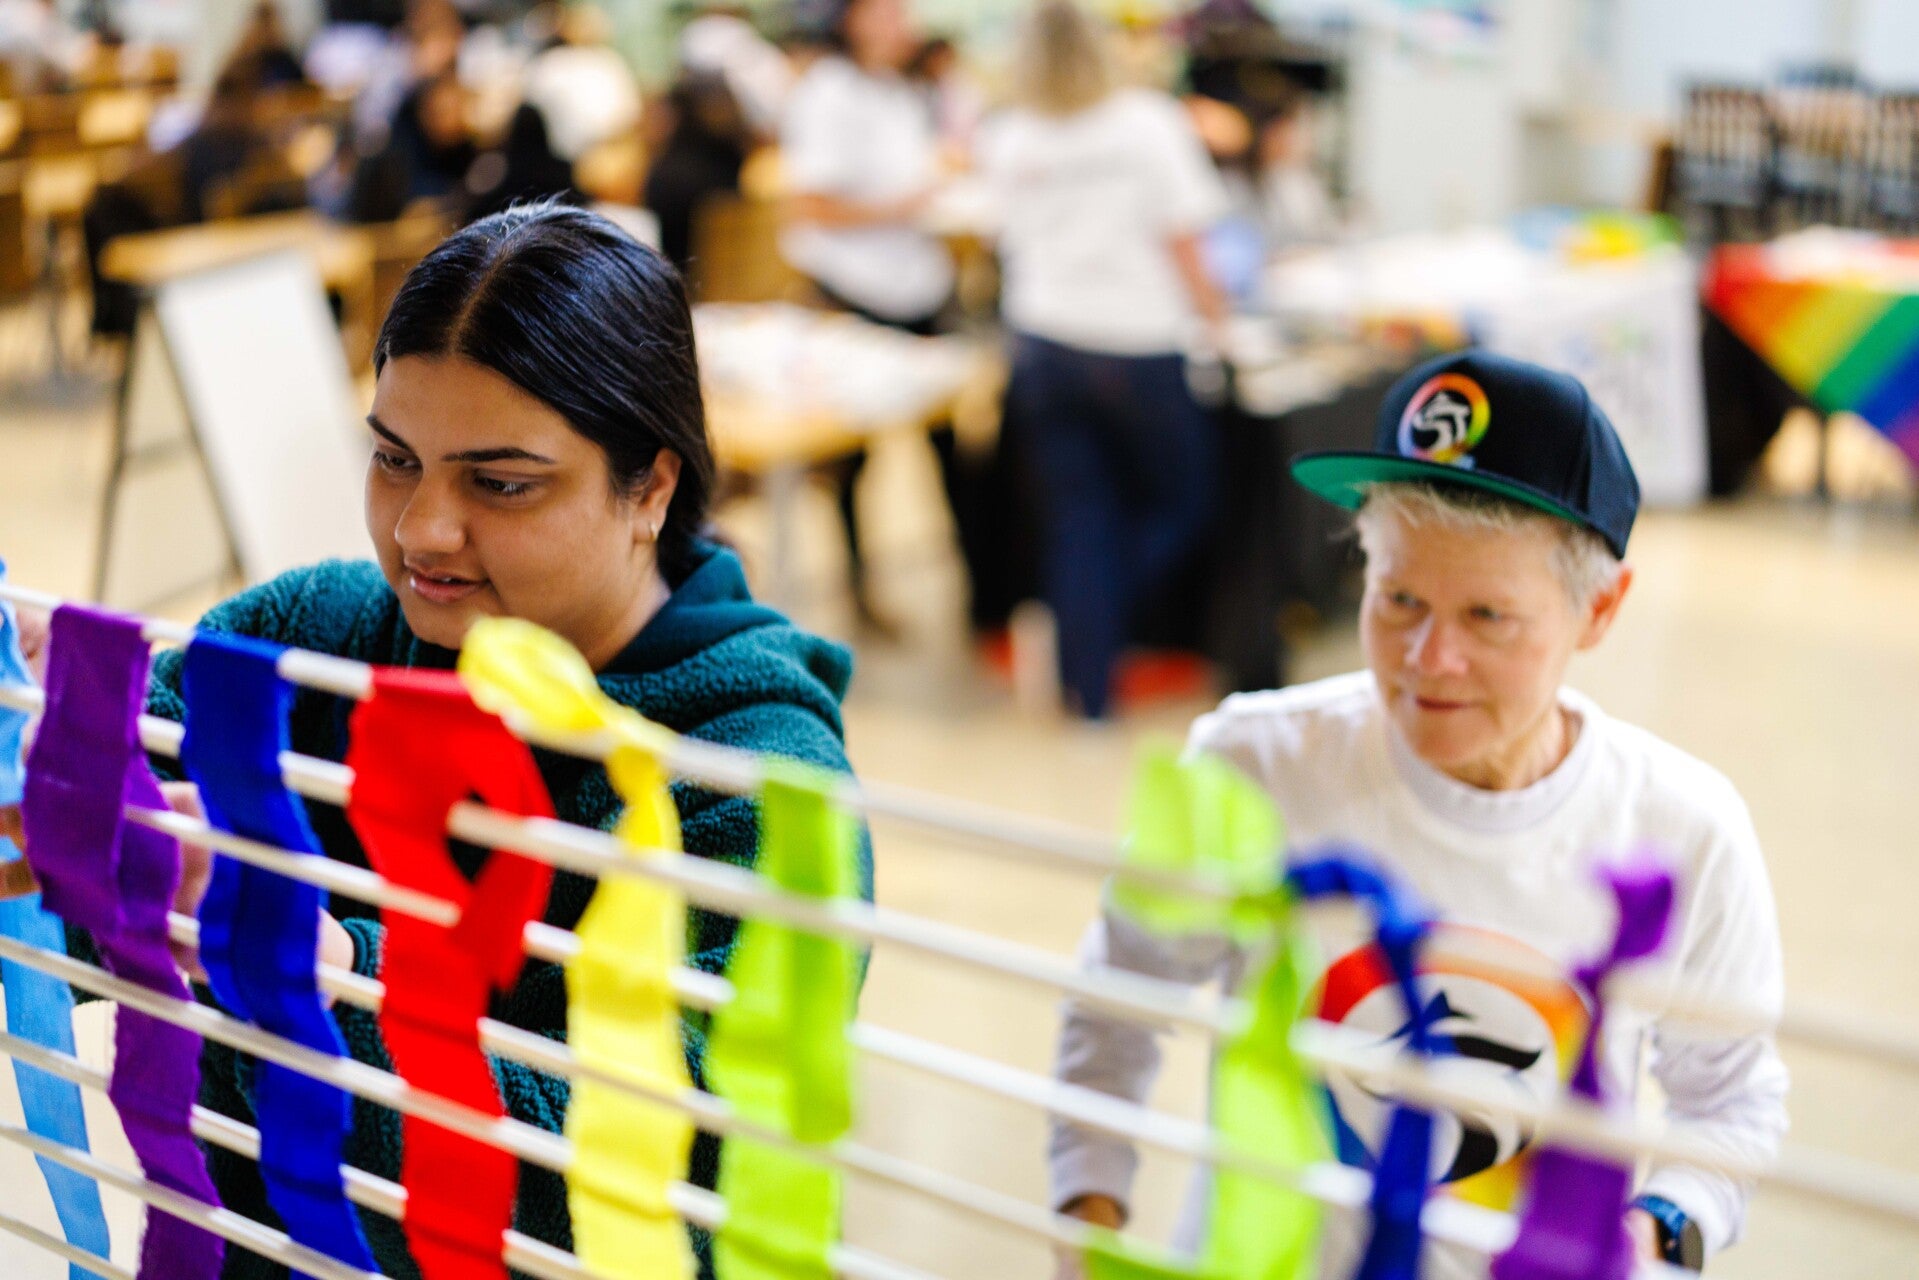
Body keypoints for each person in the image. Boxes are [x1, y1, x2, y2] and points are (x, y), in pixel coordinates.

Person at [3, 203, 870, 1279]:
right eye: (394, 459)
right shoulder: (307, 642)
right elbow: (57, 905)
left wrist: (330, 978)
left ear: (650, 485)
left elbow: (665, 1203)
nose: (421, 530)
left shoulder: (759, 784)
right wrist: (44, 742)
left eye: (499, 483)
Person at [1050, 352, 1788, 1276]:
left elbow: (1730, 1101)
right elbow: (1115, 1008)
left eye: (1487, 616)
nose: (1428, 658)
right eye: (1398, 599)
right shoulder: (1256, 765)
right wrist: (1087, 1224)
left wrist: (1653, 1229)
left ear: (1599, 609)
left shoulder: (1680, 832)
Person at [978, 0, 1228, 719]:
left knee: (1079, 521)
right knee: (1185, 501)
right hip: (1137, 342)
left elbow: (1000, 234)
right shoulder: (1147, 124)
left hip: (1045, 340)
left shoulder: (1010, 135)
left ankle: (1086, 683)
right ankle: (1100, 619)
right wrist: (1220, 322)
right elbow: (1185, 241)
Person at [779, 0, 974, 636]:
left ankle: (980, 596)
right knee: (852, 458)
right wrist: (904, 206)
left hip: (919, 285)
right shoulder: (828, 93)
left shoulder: (901, 90)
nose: (902, 22)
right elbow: (810, 204)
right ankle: (861, 590)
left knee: (949, 441)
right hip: (852, 289)